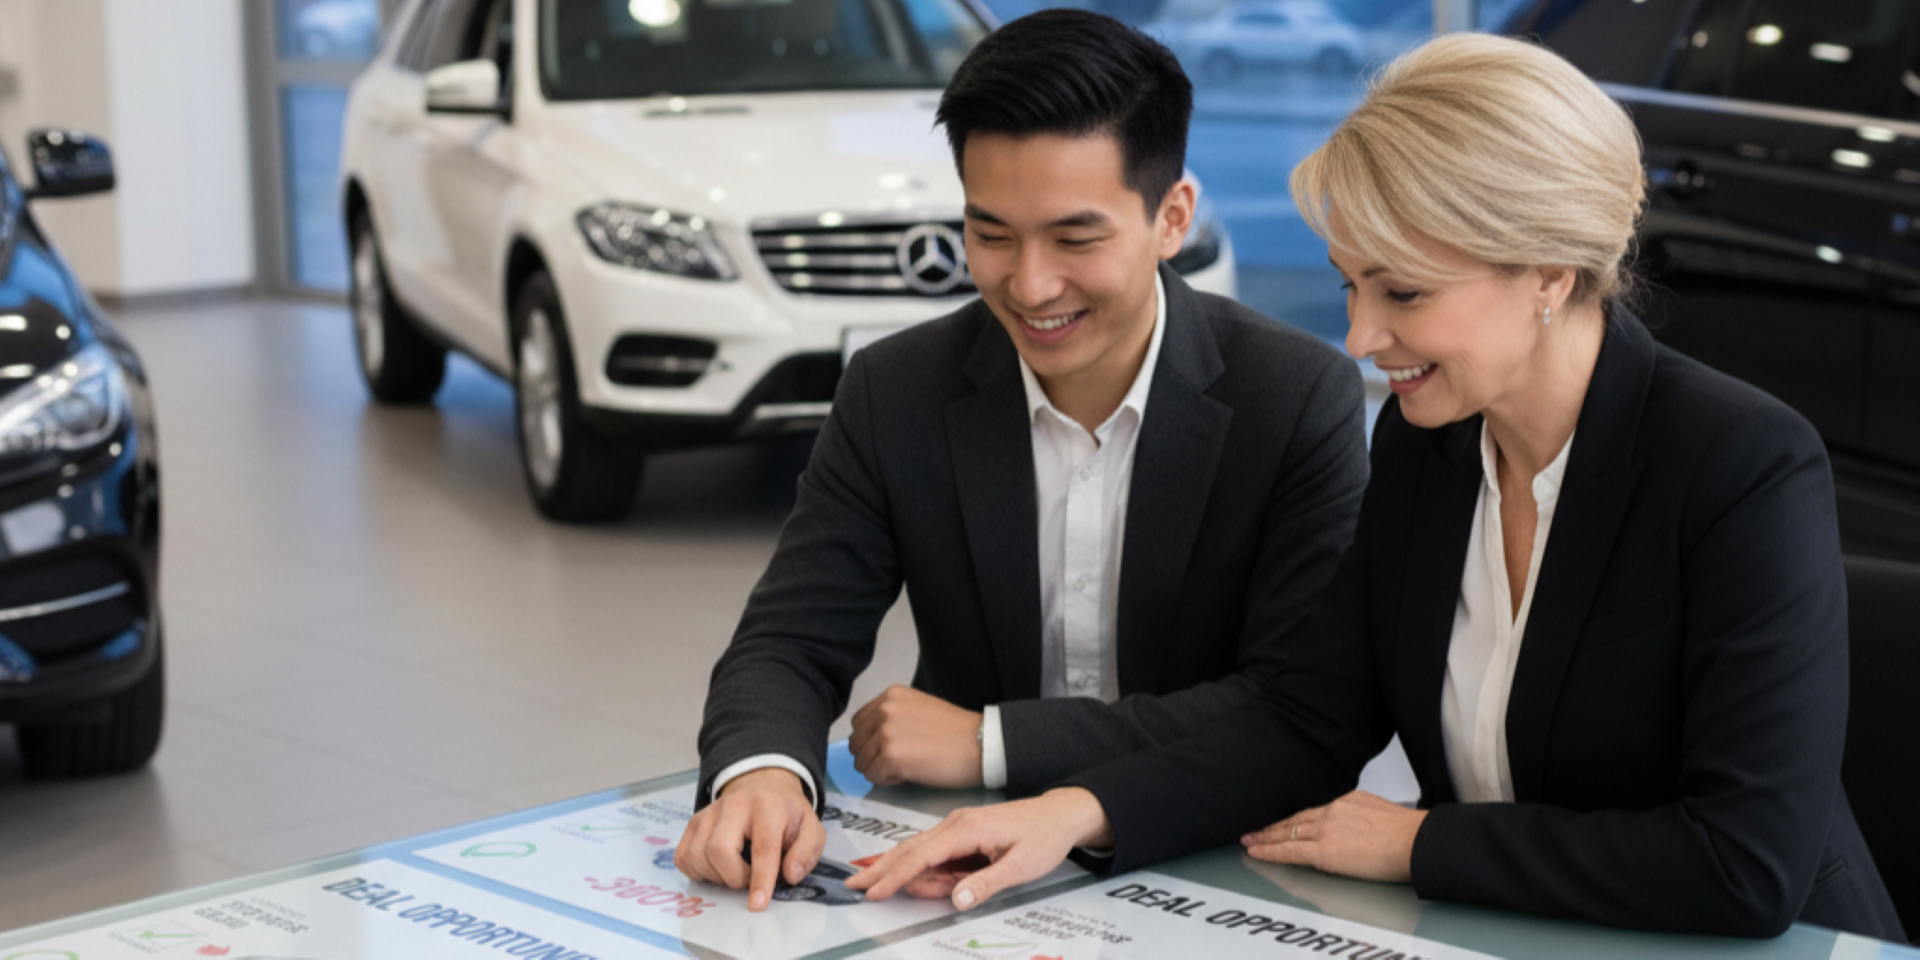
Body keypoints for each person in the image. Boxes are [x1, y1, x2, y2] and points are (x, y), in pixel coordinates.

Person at [845, 33, 1907, 942]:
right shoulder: (1428, 445)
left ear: (1548, 272)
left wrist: (1421, 842)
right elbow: (1309, 716)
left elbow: (1743, 865)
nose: (1360, 339)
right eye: (1353, 287)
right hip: (1520, 935)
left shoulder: (1739, 464)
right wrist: (1073, 811)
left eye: (1403, 292)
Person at [676, 9, 1370, 912]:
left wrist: (992, 742)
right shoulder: (898, 389)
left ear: (1172, 218)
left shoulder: (1294, 395)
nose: (1030, 285)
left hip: (1214, 851)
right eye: (991, 235)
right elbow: (790, 640)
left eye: (1075, 239)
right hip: (952, 876)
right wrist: (763, 774)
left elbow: (1294, 705)